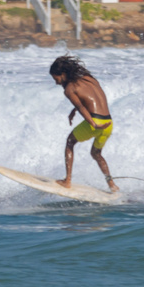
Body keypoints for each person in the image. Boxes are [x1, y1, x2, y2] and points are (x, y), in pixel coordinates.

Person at [49, 54, 116, 192]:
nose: (56, 83)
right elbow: (90, 99)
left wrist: (93, 124)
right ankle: (112, 185)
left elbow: (81, 107)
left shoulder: (69, 89)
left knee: (69, 143)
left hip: (96, 123)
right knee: (96, 154)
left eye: (56, 79)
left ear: (63, 74)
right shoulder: (89, 79)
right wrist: (74, 110)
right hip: (109, 123)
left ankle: (67, 181)